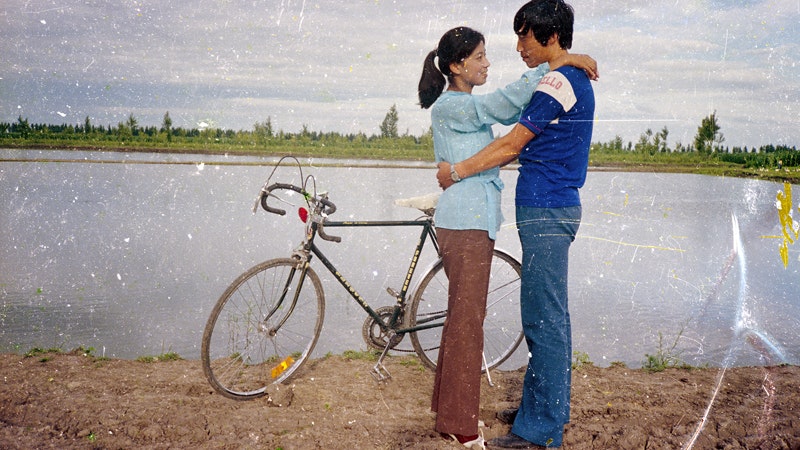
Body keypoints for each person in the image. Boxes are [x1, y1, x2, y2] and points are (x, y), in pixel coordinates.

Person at [420, 24, 597, 450]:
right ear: (457, 66)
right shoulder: (453, 106)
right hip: (466, 222)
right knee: (467, 323)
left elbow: (501, 132)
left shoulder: (459, 104)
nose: (489, 62)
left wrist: (561, 62)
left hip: (472, 220)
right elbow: (505, 105)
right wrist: (562, 61)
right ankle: (462, 427)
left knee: (463, 320)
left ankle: (449, 416)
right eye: (480, 57)